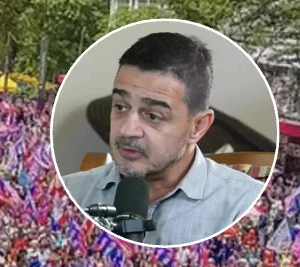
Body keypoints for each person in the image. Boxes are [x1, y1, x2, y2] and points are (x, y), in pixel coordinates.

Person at [61, 32, 264, 245]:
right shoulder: (72, 192)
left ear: (198, 126)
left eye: (153, 116)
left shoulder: (245, 207)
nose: (128, 130)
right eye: (120, 106)